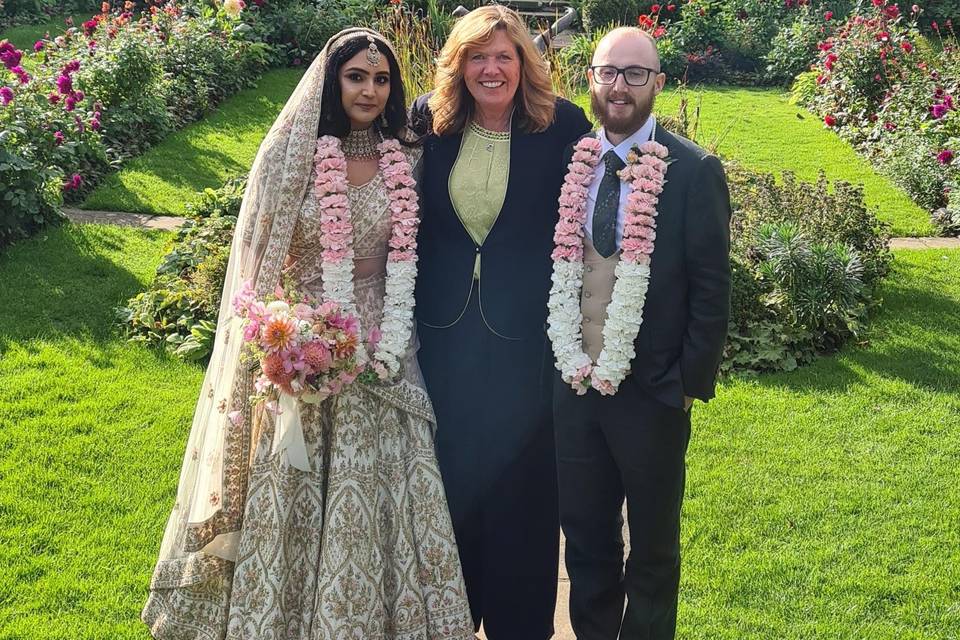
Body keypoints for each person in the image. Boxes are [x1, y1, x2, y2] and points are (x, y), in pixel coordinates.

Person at [141, 28, 474, 639]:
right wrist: (280, 337)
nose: (370, 90)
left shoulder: (408, 154)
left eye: (381, 79)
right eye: (356, 77)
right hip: (307, 349)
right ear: (331, 80)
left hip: (386, 346)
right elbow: (258, 260)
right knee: (291, 481)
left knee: (388, 485)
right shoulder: (291, 155)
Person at [408, 6, 591, 638]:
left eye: (504, 56)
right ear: (457, 67)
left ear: (524, 64)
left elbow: (593, 223)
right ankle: (452, 618)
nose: (491, 69)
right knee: (449, 481)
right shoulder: (425, 122)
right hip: (443, 337)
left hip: (525, 340)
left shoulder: (562, 124)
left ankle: (520, 622)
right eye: (477, 57)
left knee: (524, 486)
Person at [548, 27, 731, 640]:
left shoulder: (693, 171)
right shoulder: (570, 164)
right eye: (608, 72)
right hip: (573, 390)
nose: (619, 86)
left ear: (658, 83)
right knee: (587, 540)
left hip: (652, 391)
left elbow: (711, 288)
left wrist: (686, 384)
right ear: (591, 80)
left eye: (634, 74)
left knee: (653, 547)